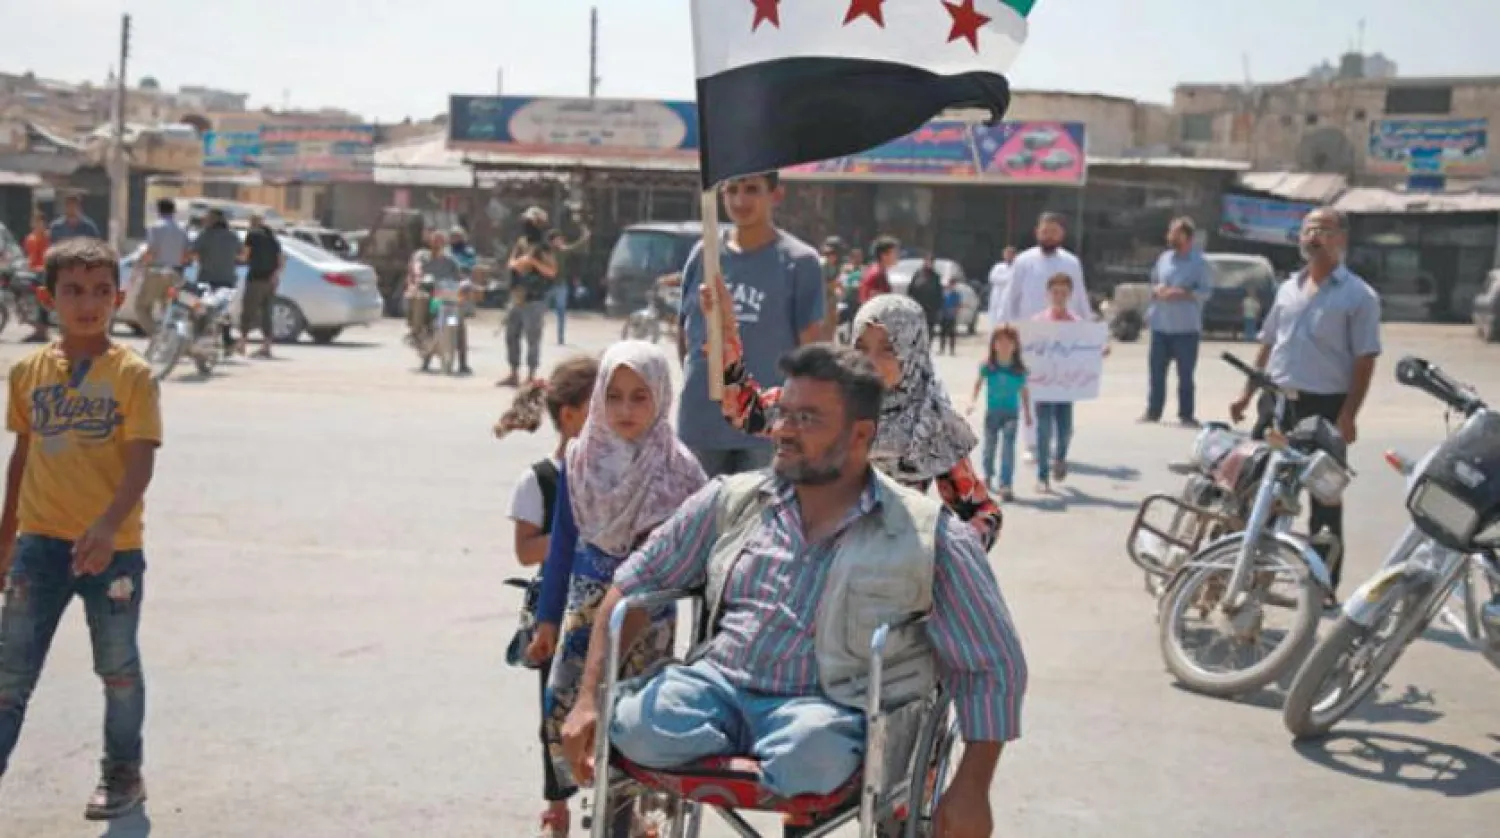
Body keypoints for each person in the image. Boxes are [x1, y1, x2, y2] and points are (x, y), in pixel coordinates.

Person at [557, 344, 1027, 838]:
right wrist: (589, 697)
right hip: (717, 688)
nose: (782, 430)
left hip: (828, 709)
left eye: (808, 419)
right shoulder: (732, 501)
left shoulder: (928, 535)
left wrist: (972, 785)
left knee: (809, 753)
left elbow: (993, 663)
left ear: (859, 435)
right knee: (635, 726)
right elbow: (634, 583)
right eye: (784, 414)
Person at [0, 237, 162, 821]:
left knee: (117, 670)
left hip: (112, 552)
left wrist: (106, 525)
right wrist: (5, 538)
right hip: (39, 546)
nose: (87, 303)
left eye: (100, 291)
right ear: (48, 298)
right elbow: (22, 457)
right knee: (10, 672)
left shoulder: (134, 376)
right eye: (73, 290)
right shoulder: (27, 373)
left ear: (117, 297)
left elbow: (141, 460)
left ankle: (122, 773)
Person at [524, 342, 707, 834]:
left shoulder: (680, 470)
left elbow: (691, 561)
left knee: (633, 729)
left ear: (663, 398)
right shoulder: (580, 460)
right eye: (615, 396)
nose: (625, 410)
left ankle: (622, 821)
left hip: (646, 621)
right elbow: (562, 546)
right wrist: (546, 619)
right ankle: (601, 814)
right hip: (583, 618)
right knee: (575, 724)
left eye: (640, 397)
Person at [703, 281, 1002, 550]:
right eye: (861, 347)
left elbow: (983, 513)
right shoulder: (823, 400)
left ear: (913, 354)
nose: (870, 361)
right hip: (809, 563)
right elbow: (746, 412)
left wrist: (938, 552)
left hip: (887, 581)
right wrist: (726, 338)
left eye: (888, 349)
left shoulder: (934, 425)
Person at [1229, 207, 1381, 603]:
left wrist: (1349, 415)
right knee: (1254, 484)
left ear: (1342, 239)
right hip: (1276, 401)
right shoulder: (1287, 288)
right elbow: (1268, 343)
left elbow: (1365, 360)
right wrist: (1247, 394)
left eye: (1324, 230)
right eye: (1308, 229)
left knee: (1323, 494)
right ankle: (1249, 569)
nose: (1313, 235)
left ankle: (1323, 585)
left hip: (1325, 407)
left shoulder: (1359, 296)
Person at [495, 355, 600, 838]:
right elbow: (525, 550)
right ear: (573, 415)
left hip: (603, 610)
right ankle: (556, 807)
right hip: (555, 611)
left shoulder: (612, 476)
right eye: (601, 405)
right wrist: (579, 543)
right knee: (554, 711)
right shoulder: (540, 479)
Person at [676, 171, 824, 478]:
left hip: (765, 426)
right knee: (700, 520)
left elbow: (811, 352)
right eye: (732, 190)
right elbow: (685, 333)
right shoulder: (705, 254)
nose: (740, 200)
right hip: (701, 420)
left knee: (757, 521)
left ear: (776, 195)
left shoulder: (800, 262)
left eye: (752, 190)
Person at [1142, 217, 1212, 427]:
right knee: (1156, 372)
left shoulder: (1199, 263)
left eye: (1176, 233)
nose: (1170, 237)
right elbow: (1153, 281)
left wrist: (1181, 293)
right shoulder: (1164, 258)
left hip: (1186, 329)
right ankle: (1153, 412)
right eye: (1170, 232)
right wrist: (1157, 290)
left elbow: (1205, 292)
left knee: (1185, 375)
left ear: (1188, 238)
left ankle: (1186, 414)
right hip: (1160, 326)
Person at [1032, 273, 1086, 493]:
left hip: (1065, 387)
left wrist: (1100, 351)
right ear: (1048, 294)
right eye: (1055, 292)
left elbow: (1088, 350)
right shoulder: (1038, 322)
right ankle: (1042, 476)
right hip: (1044, 387)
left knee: (1065, 430)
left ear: (1070, 295)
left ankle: (1060, 458)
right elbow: (1028, 349)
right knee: (1043, 431)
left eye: (1063, 293)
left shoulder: (1077, 323)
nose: (1059, 296)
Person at [967, 325, 1030, 500]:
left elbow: (1024, 391)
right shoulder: (988, 366)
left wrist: (1028, 413)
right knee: (990, 446)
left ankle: (1006, 483)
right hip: (992, 412)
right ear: (993, 345)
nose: (1004, 345)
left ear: (1015, 346)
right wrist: (972, 401)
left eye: (1008, 342)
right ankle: (987, 475)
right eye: (999, 341)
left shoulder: (1018, 369)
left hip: (1011, 413)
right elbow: (978, 383)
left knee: (1008, 448)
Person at [499, 208, 558, 387]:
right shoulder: (521, 243)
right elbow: (511, 263)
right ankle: (513, 372)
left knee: (532, 337)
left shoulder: (544, 247)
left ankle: (531, 374)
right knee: (511, 335)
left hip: (534, 299)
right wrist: (521, 262)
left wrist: (533, 262)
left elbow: (551, 271)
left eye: (531, 222)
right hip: (517, 296)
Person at [134, 199, 191, 337]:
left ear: (158, 211)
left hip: (157, 271)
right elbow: (186, 254)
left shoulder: (155, 227)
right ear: (174, 211)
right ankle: (174, 339)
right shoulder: (182, 229)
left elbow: (152, 251)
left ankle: (157, 335)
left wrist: (140, 263)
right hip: (176, 273)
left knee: (141, 306)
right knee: (169, 309)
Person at [190, 209, 242, 350]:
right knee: (223, 312)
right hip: (228, 280)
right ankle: (227, 340)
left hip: (206, 279)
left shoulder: (205, 235)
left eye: (207, 218)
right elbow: (241, 255)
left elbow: (192, 253)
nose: (205, 220)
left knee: (200, 310)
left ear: (213, 220)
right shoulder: (233, 236)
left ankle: (197, 338)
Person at [238, 213, 284, 359]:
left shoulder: (251, 235)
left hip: (255, 278)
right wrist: (275, 275)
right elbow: (281, 260)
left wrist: (236, 258)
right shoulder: (273, 238)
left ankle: (242, 343)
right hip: (270, 280)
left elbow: (245, 256)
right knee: (266, 313)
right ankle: (266, 346)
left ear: (252, 223)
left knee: (248, 311)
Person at [546, 226, 591, 346]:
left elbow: (575, 247)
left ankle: (560, 338)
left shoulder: (562, 251)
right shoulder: (545, 252)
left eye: (560, 239)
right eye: (558, 239)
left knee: (561, 311)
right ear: (552, 241)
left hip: (560, 285)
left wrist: (585, 237)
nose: (560, 241)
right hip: (547, 285)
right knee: (539, 310)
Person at [20, 212, 50, 343]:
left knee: (41, 300)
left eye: (40, 222)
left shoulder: (48, 238)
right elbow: (28, 256)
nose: (37, 225)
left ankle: (42, 331)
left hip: (44, 272)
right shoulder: (29, 238)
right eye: (35, 222)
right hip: (31, 272)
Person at [906, 252, 944, 336]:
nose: (928, 263)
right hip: (917, 309)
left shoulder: (936, 277)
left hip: (930, 311)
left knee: (928, 333)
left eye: (930, 261)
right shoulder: (918, 274)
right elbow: (911, 290)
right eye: (927, 260)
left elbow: (939, 294)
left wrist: (938, 310)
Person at [858, 236, 898, 304]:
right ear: (884, 255)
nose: (897, 256)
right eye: (894, 253)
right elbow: (876, 303)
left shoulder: (876, 270)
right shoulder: (877, 274)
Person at [985, 246, 1017, 328]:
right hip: (998, 296)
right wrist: (1007, 279)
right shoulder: (998, 266)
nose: (1008, 256)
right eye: (1006, 254)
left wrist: (1007, 280)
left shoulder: (1017, 267)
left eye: (1010, 254)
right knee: (996, 319)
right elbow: (992, 278)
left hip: (1011, 297)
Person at [938, 276, 962, 355]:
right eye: (951, 284)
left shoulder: (956, 294)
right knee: (943, 333)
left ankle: (952, 350)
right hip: (944, 315)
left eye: (953, 284)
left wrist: (955, 311)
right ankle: (941, 349)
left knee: (952, 334)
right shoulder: (944, 293)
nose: (951, 286)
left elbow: (958, 305)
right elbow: (941, 303)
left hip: (952, 316)